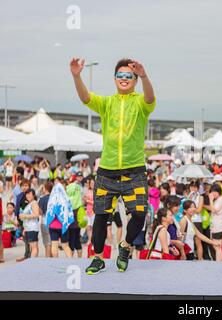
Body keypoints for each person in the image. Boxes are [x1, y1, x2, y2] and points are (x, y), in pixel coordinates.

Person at [71, 57, 156, 274]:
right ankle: (98, 258)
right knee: (101, 217)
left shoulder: (140, 102)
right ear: (115, 79)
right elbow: (85, 97)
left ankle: (125, 246)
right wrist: (76, 75)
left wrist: (145, 76)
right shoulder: (107, 103)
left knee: (139, 213)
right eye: (120, 75)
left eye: (129, 76)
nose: (124, 79)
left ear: (135, 80)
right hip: (107, 170)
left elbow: (150, 98)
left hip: (134, 169)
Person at [207, 184, 222, 259]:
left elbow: (213, 210)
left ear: (219, 192)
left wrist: (210, 200)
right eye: (212, 191)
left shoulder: (220, 200)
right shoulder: (219, 200)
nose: (214, 193)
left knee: (217, 246)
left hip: (218, 226)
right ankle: (219, 262)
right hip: (217, 226)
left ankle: (219, 263)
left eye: (216, 191)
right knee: (217, 246)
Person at [19, 189, 40, 258]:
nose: (28, 195)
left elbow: (36, 214)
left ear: (33, 195)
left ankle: (32, 263)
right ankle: (34, 263)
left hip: (32, 228)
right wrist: (25, 228)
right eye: (26, 194)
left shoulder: (34, 203)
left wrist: (24, 216)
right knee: (33, 247)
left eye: (29, 194)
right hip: (29, 228)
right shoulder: (30, 204)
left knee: (33, 247)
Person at [38, 182, 53, 257]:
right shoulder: (54, 197)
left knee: (47, 242)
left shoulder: (42, 199)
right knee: (53, 241)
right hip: (54, 221)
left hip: (45, 221)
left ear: (46, 188)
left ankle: (48, 258)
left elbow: (40, 212)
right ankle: (52, 257)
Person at [83, 178, 95, 245]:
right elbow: (84, 198)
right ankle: (89, 240)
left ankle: (93, 240)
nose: (92, 185)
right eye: (91, 183)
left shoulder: (96, 191)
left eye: (93, 183)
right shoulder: (87, 191)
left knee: (93, 227)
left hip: (94, 212)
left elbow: (96, 202)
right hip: (88, 211)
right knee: (88, 227)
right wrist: (85, 199)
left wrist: (88, 201)